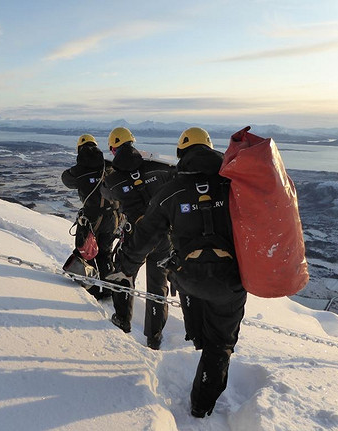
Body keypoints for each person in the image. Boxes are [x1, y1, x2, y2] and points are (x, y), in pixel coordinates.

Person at [110, 127, 247, 418]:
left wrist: (124, 268)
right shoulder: (233, 183)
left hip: (188, 278)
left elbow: (144, 237)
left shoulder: (170, 191)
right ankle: (201, 406)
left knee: (192, 298)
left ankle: (196, 336)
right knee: (219, 347)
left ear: (181, 154)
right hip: (230, 282)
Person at [100, 126, 174, 350]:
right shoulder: (156, 169)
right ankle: (154, 335)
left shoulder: (113, 181)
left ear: (113, 149)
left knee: (125, 274)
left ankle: (122, 320)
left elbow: (106, 194)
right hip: (163, 235)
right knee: (158, 284)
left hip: (135, 237)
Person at [61, 134, 118, 299]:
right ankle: (108, 289)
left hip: (91, 219)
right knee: (105, 253)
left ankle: (90, 290)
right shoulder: (109, 167)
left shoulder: (79, 171)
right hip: (112, 217)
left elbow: (66, 179)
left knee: (85, 251)